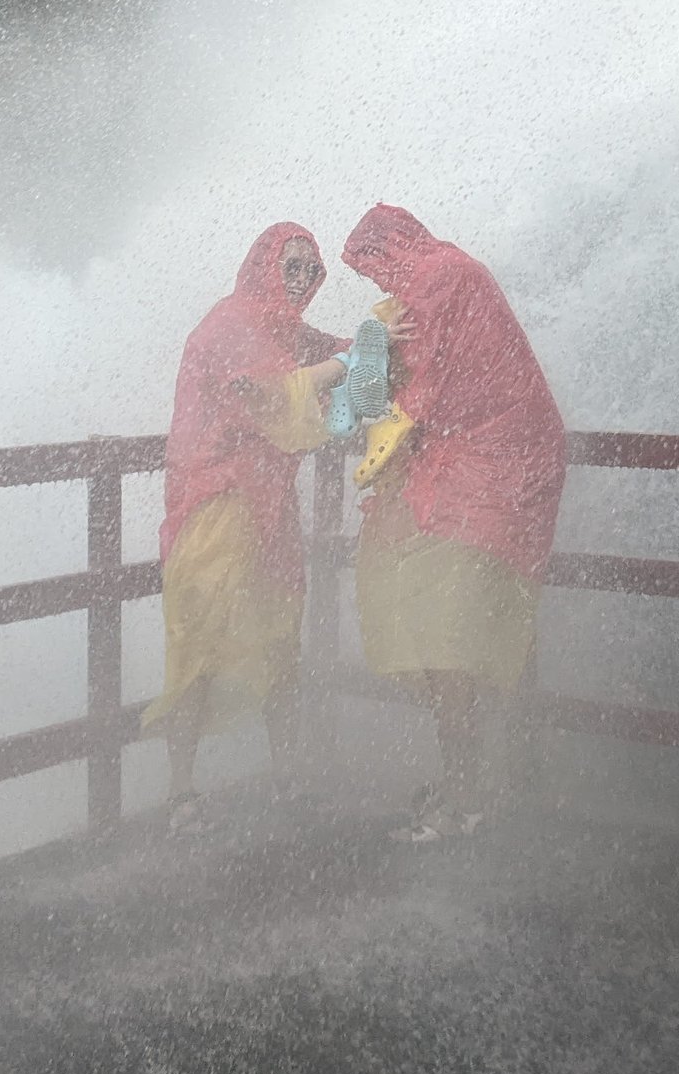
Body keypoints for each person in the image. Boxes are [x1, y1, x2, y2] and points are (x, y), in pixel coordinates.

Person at [339, 204, 565, 841]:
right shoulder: (446, 270)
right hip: (501, 458)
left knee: (446, 633)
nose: (381, 285)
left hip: (491, 463)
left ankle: (466, 795)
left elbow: (418, 391)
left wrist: (371, 428)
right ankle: (495, 780)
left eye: (376, 268)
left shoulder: (437, 279)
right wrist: (373, 351)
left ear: (391, 249)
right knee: (471, 625)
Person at [147, 223, 348, 833]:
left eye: (311, 271)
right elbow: (278, 396)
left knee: (279, 644)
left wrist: (382, 337)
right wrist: (347, 363)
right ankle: (181, 795)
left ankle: (285, 776)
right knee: (199, 648)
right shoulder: (234, 322)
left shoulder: (277, 326)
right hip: (215, 507)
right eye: (290, 266)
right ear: (263, 265)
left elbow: (334, 346)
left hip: (267, 509)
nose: (301, 280)